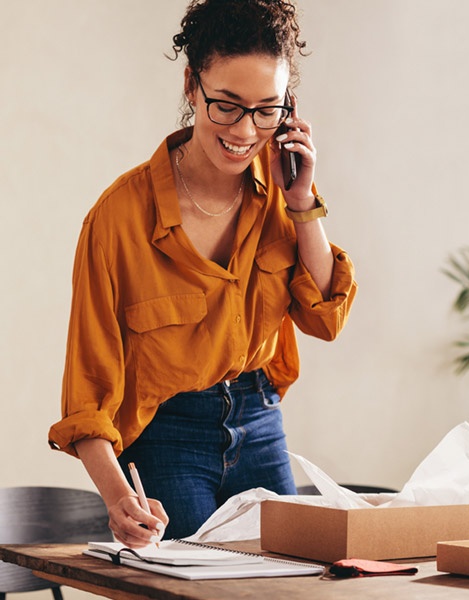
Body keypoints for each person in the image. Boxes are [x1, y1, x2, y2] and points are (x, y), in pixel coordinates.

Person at [48, 0, 357, 548]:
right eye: (227, 105)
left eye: (268, 109)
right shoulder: (118, 219)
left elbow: (325, 317)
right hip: (168, 435)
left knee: (289, 586)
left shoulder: (282, 191)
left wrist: (303, 199)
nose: (246, 131)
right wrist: (119, 498)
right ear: (192, 85)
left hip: (260, 421)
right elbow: (87, 394)